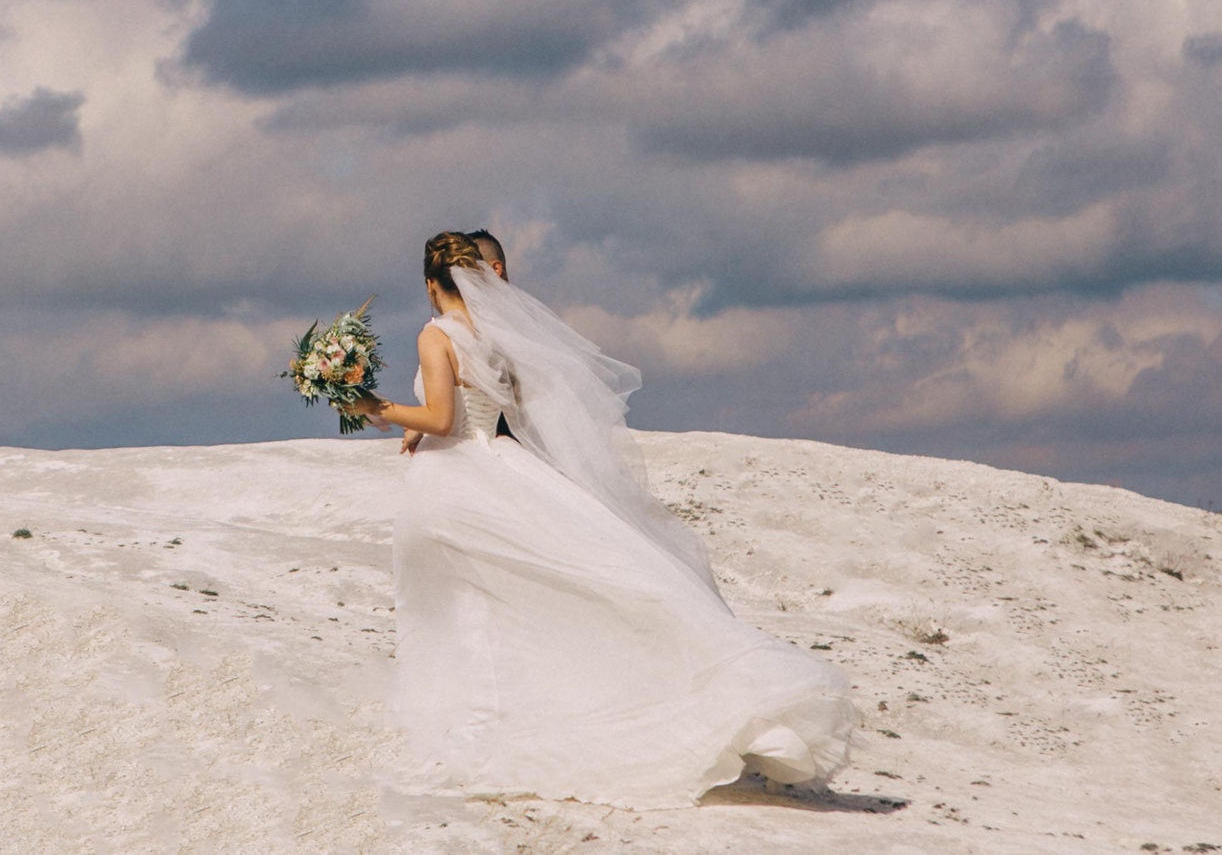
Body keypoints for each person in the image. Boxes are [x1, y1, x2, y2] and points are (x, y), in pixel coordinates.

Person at [354, 231, 856, 808]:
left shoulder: (435, 334)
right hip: (501, 464)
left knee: (472, 604)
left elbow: (445, 418)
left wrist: (377, 408)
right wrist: (417, 422)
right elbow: (485, 408)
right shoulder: (494, 335)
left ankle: (480, 721)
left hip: (458, 481)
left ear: (428, 284)